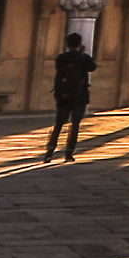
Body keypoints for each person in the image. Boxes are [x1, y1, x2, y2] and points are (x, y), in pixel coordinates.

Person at [46, 33, 96, 163]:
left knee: (58, 124)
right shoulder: (83, 58)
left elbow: (59, 70)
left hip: (63, 96)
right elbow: (92, 68)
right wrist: (83, 53)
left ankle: (50, 151)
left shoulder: (61, 58)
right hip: (79, 96)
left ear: (67, 44)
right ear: (79, 44)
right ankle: (69, 153)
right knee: (75, 125)